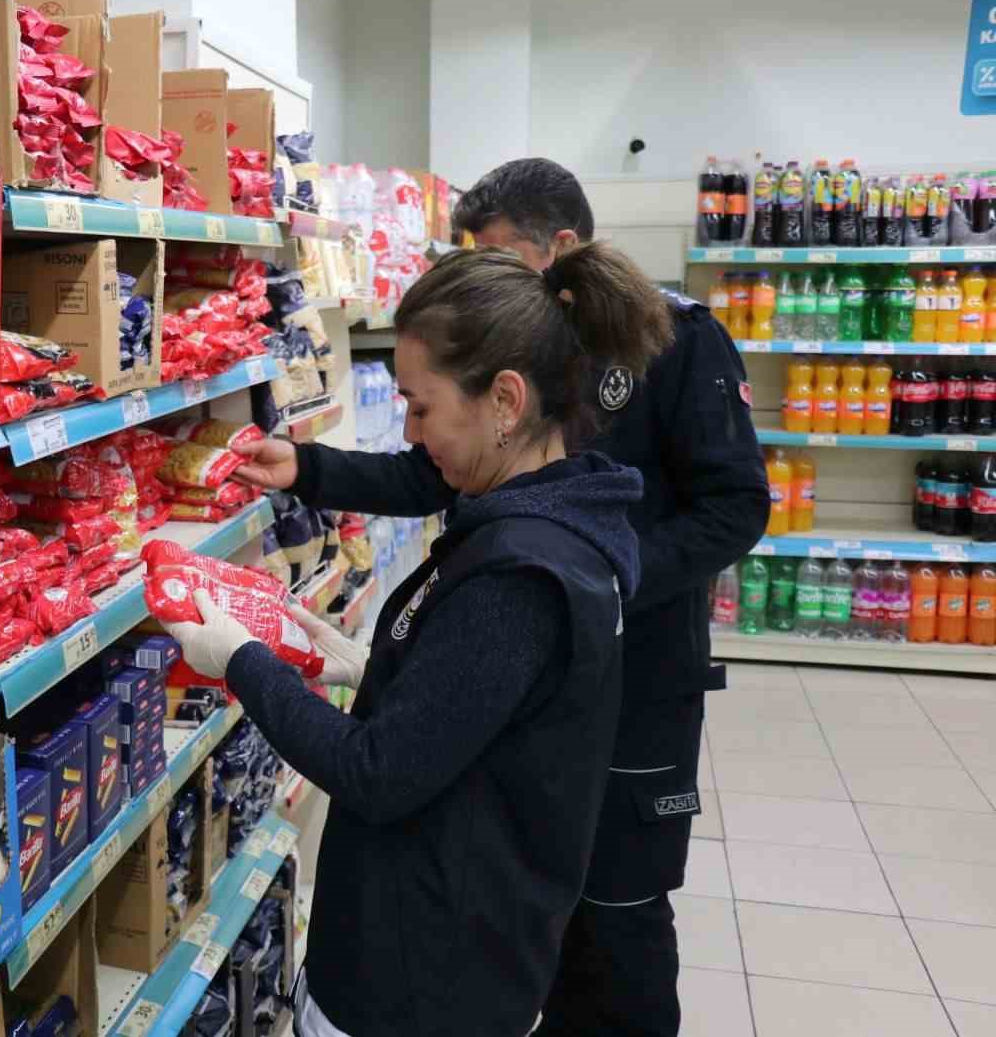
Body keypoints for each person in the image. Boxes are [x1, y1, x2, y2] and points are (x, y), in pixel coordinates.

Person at [229, 159, 769, 1036]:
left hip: (633, 683)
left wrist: (608, 581)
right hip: (536, 672)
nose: (490, 282)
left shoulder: (673, 349)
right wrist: (312, 468)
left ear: (558, 249)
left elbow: (734, 506)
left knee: (617, 920)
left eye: (502, 260)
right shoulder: (515, 455)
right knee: (533, 891)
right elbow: (437, 466)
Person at [165, 242, 674, 1037]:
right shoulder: (563, 523)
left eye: (421, 406)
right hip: (462, 950)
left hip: (420, 983)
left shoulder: (522, 576)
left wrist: (239, 660)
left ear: (505, 400)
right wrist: (379, 667)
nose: (408, 429)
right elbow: (495, 711)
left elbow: (375, 772)